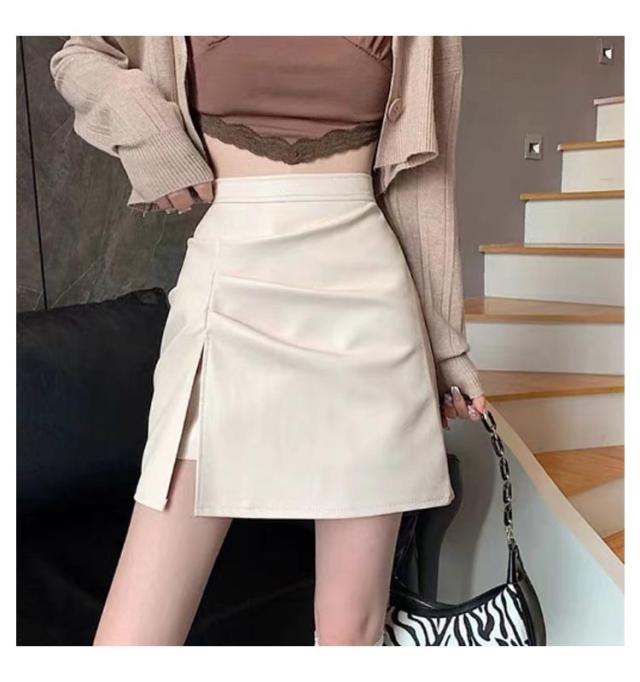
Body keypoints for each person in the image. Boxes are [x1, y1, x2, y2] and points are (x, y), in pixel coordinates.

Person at [49, 35, 486, 646]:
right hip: (228, 291)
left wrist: (445, 345)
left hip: (367, 305)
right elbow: (79, 56)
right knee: (134, 639)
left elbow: (427, 176)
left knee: (352, 630)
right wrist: (150, 132)